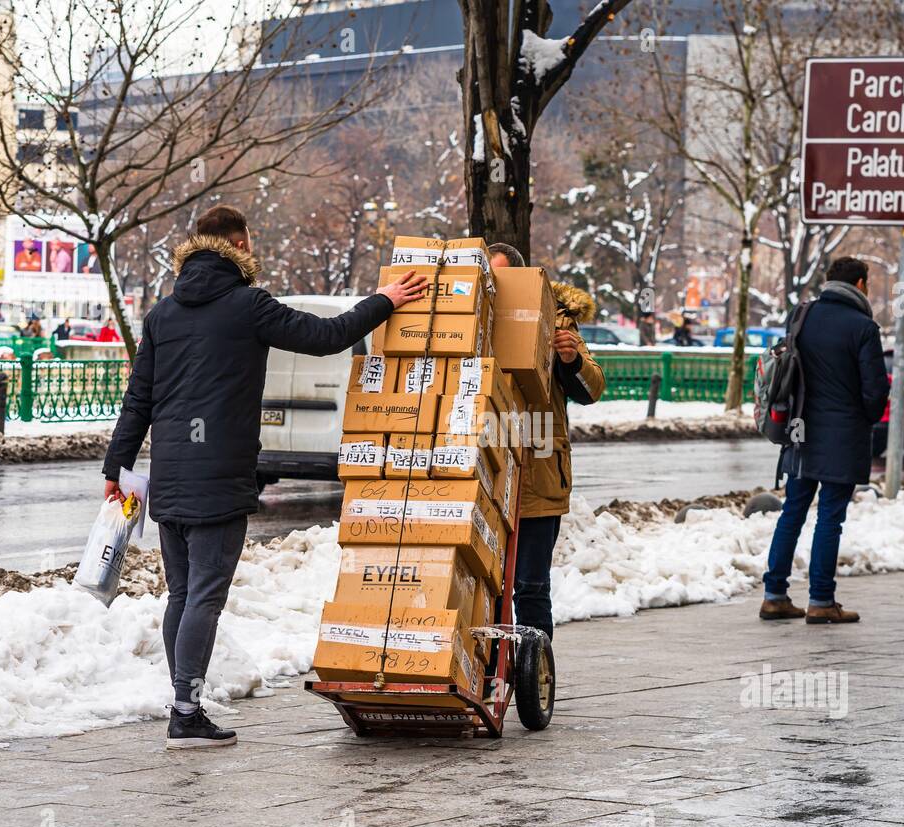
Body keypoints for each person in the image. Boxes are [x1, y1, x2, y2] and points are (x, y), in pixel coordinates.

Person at [102, 204, 427, 748]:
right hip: (221, 474)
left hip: (172, 473)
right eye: (249, 242)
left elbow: (139, 396)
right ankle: (185, 713)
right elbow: (327, 336)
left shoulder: (163, 314)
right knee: (204, 596)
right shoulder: (247, 305)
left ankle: (184, 704)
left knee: (181, 595)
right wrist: (386, 302)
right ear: (238, 244)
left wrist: (117, 466)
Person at [760, 256, 890, 624]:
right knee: (830, 517)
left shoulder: (802, 315)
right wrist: (865, 417)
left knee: (794, 511)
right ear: (861, 285)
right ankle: (821, 600)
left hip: (799, 430)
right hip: (843, 435)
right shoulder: (864, 327)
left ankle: (774, 595)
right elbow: (876, 389)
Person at [487, 241, 605, 643]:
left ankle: (536, 677)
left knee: (530, 586)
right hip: (483, 457)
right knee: (487, 583)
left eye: (500, 277)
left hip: (538, 460)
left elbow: (592, 388)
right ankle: (486, 672)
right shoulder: (470, 315)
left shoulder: (556, 322)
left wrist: (571, 360)